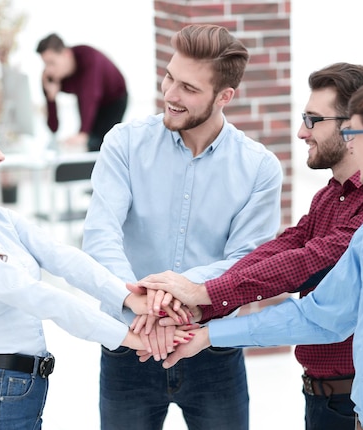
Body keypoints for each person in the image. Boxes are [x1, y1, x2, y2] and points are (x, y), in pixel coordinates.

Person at [155, 75, 363, 430]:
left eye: (353, 135)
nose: (349, 146)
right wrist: (207, 336)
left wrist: (205, 295)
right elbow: (320, 317)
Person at [0, 106, 190, 429]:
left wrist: (128, 297)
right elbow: (38, 297)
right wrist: (132, 337)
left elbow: (60, 256)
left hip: (17, 391)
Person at [137, 63, 363, 430]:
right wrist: (198, 304)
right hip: (325, 398)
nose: (302, 132)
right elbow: (285, 247)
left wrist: (205, 294)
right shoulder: (331, 196)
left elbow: (308, 263)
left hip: (357, 404)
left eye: (314, 120)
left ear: (353, 126)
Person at [82, 24, 284, 430]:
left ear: (224, 96)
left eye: (189, 88)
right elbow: (101, 235)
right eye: (170, 77)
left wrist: (170, 299)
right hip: (129, 342)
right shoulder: (123, 143)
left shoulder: (259, 168)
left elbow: (246, 260)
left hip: (213, 351)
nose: (171, 94)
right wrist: (142, 305)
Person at [36, 33, 128, 151]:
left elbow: (90, 95)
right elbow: (53, 128)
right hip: (87, 98)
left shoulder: (88, 58)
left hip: (114, 97)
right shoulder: (50, 77)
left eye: (52, 63)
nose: (49, 69)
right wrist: (51, 98)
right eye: (45, 64)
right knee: (88, 142)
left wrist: (83, 133)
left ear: (66, 54)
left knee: (102, 142)